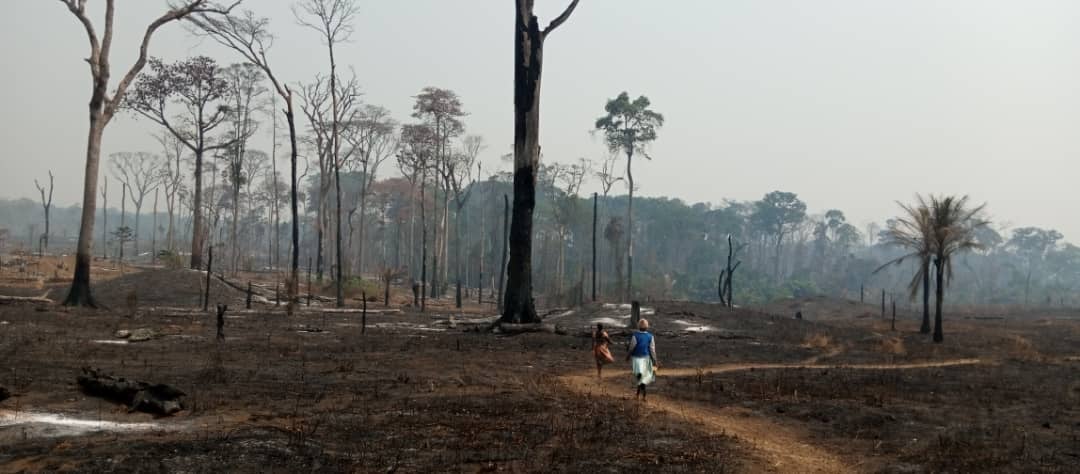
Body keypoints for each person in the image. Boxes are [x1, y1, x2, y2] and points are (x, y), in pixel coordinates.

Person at [626, 318, 658, 400]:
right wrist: (655, 360)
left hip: (636, 359)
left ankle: (640, 395)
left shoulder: (635, 335)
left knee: (640, 377)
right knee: (642, 377)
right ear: (647, 327)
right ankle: (641, 395)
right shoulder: (650, 336)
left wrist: (628, 356)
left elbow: (631, 347)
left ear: (638, 326)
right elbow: (652, 349)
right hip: (646, 359)